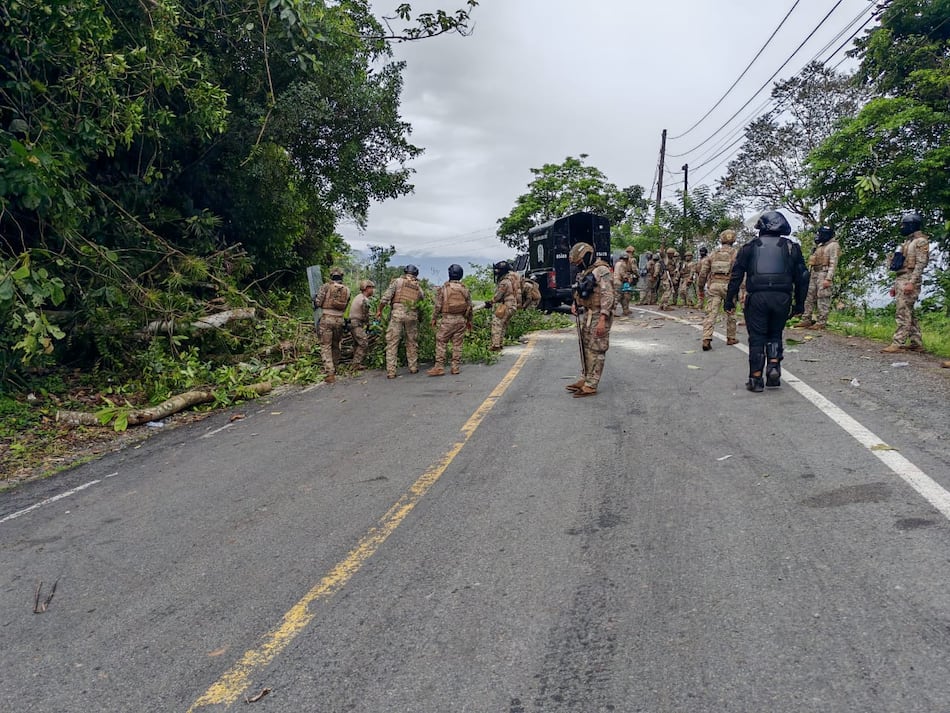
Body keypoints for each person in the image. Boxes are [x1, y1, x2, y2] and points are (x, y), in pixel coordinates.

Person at [725, 210, 809, 392]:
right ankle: (773, 366)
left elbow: (736, 275)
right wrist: (799, 303)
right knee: (775, 334)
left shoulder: (750, 247)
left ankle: (755, 379)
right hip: (782, 297)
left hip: (757, 297)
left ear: (761, 227)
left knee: (757, 338)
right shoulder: (791, 247)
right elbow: (802, 276)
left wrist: (729, 299)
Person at [565, 242, 614, 398]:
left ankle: (592, 384)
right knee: (586, 347)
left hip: (599, 314)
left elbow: (608, 295)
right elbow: (582, 290)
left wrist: (603, 319)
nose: (578, 265)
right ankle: (586, 378)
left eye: (579, 261)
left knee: (597, 349)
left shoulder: (602, 270)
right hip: (588, 313)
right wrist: (576, 303)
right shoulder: (587, 272)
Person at [882, 211, 930, 353]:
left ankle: (898, 342)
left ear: (912, 225)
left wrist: (912, 282)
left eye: (905, 225)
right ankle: (916, 342)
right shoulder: (908, 242)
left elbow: (920, 264)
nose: (902, 227)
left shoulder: (921, 242)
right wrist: (895, 285)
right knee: (908, 312)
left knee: (902, 312)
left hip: (909, 279)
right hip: (902, 278)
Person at [377, 264, 425, 378]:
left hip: (397, 315)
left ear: (405, 272)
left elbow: (385, 298)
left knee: (392, 343)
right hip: (412, 316)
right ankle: (413, 367)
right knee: (412, 342)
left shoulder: (397, 282)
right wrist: (420, 317)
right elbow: (421, 304)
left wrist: (379, 310)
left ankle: (391, 372)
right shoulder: (418, 287)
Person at [697, 230, 739, 351]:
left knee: (711, 313)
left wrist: (700, 286)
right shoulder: (735, 254)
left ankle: (706, 338)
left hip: (714, 285)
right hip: (729, 286)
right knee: (731, 311)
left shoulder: (713, 254)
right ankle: (731, 337)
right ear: (733, 240)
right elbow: (739, 273)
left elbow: (704, 272)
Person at [428, 264, 473, 376]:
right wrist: (469, 321)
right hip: (461, 320)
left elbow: (438, 306)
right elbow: (470, 307)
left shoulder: (444, 289)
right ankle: (455, 367)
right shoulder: (465, 289)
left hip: (447, 320)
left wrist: (433, 318)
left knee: (441, 341)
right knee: (457, 344)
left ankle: (439, 367)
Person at [796, 225, 840, 329]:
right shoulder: (820, 245)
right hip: (814, 273)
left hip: (824, 273)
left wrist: (828, 278)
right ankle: (806, 319)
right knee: (809, 297)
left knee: (823, 297)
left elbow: (833, 263)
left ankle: (821, 322)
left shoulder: (833, 245)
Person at [313, 266, 350, 384]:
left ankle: (330, 373)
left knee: (325, 346)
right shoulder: (347, 290)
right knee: (336, 344)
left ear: (331, 276)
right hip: (339, 320)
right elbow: (346, 305)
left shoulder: (326, 287)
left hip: (327, 319)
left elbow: (318, 303)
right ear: (341, 277)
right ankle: (335, 367)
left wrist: (314, 300)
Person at [488, 260, 520, 352]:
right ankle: (499, 343)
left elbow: (498, 296)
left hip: (507, 305)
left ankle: (496, 345)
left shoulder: (504, 282)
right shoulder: (510, 280)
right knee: (503, 324)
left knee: (497, 323)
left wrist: (491, 302)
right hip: (512, 305)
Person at [348, 279, 375, 370]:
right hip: (356, 324)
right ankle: (355, 364)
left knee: (357, 343)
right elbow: (365, 314)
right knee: (363, 343)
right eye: (371, 288)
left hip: (353, 323)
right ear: (367, 288)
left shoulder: (359, 297)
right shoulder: (364, 300)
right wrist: (369, 324)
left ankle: (355, 363)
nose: (373, 290)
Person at [613, 246, 637, 316]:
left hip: (616, 281)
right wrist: (627, 278)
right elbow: (622, 273)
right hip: (619, 281)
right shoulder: (623, 264)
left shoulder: (617, 263)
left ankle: (625, 310)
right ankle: (613, 311)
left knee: (623, 297)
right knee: (617, 297)